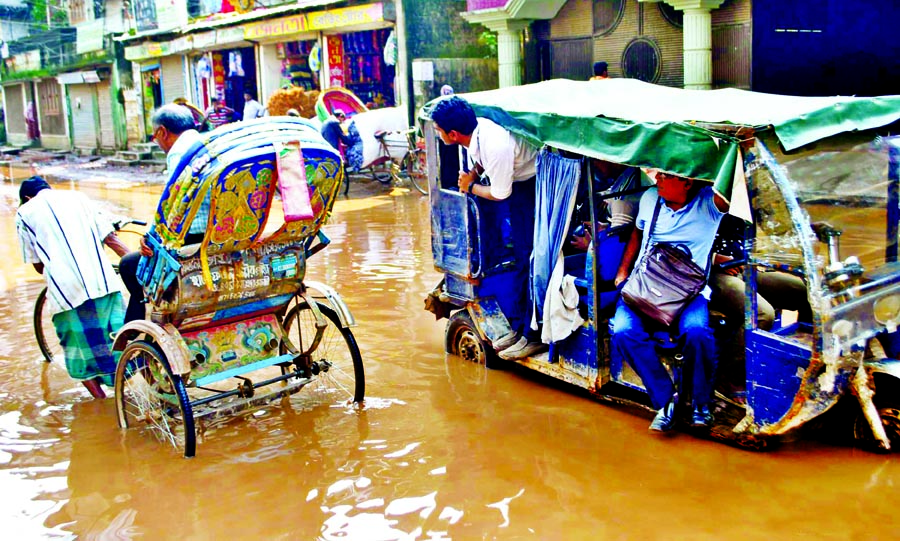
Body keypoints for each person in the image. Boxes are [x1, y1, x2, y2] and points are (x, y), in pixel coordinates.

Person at [611, 171, 729, 432]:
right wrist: (622, 271)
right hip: (645, 287)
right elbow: (637, 233)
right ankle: (666, 401)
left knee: (697, 332)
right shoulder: (651, 197)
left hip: (688, 294)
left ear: (687, 181)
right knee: (623, 332)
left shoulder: (710, 205)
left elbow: (732, 183)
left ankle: (701, 405)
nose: (658, 180)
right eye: (659, 174)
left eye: (666, 176)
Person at [431, 95, 543, 360]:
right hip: (517, 185)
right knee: (518, 256)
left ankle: (532, 335)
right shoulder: (477, 134)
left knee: (527, 259)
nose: (437, 134)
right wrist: (473, 174)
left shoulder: (495, 143)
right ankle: (518, 328)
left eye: (438, 130)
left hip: (530, 186)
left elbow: (501, 193)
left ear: (454, 134)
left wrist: (469, 186)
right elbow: (483, 162)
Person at [16, 177, 131, 399]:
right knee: (120, 335)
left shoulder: (25, 212)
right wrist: (135, 263)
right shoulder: (78, 197)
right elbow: (110, 238)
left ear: (27, 198)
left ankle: (102, 401)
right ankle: (143, 385)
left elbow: (38, 265)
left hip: (66, 291)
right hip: (103, 282)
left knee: (78, 350)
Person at [709, 214, 811, 399]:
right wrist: (715, 258)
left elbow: (776, 226)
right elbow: (678, 241)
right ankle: (728, 377)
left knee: (804, 291)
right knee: (762, 313)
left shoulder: (745, 197)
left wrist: (803, 231)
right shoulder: (701, 198)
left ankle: (812, 359)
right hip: (711, 273)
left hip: (745, 267)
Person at [119, 104, 203, 324]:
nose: (156, 142)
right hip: (221, 236)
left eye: (155, 136)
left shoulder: (180, 152)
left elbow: (174, 206)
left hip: (191, 243)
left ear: (163, 132)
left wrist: (149, 237)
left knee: (128, 265)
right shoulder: (209, 145)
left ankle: (141, 330)